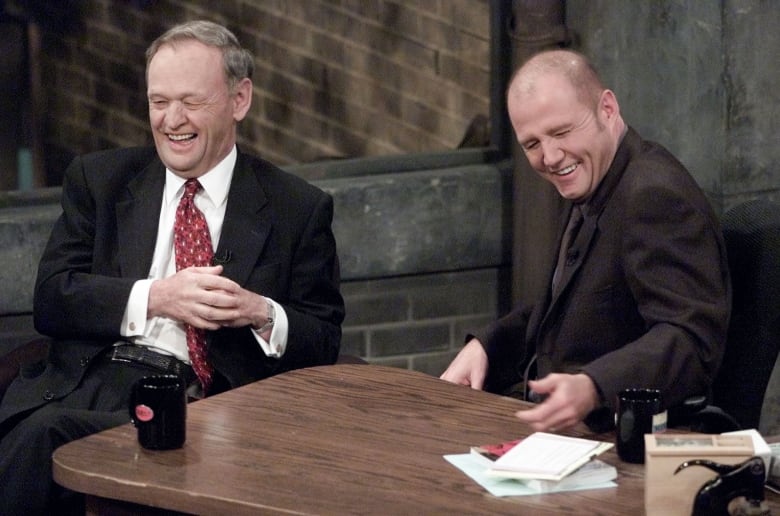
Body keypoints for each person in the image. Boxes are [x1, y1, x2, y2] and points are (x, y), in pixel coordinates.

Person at [0, 20, 344, 513]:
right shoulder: (101, 180)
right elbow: (53, 298)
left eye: (191, 102)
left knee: (47, 437)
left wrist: (260, 311)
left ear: (239, 100)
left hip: (203, 408)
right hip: (89, 382)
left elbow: (324, 339)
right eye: (159, 102)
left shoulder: (297, 208)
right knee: (44, 432)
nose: (171, 120)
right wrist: (158, 296)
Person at [440, 49, 730, 434]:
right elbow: (573, 308)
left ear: (607, 109)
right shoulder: (593, 177)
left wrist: (594, 386)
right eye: (532, 144)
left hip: (620, 436)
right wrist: (487, 347)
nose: (551, 157)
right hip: (556, 421)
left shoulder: (653, 195)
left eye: (561, 132)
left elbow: (691, 340)